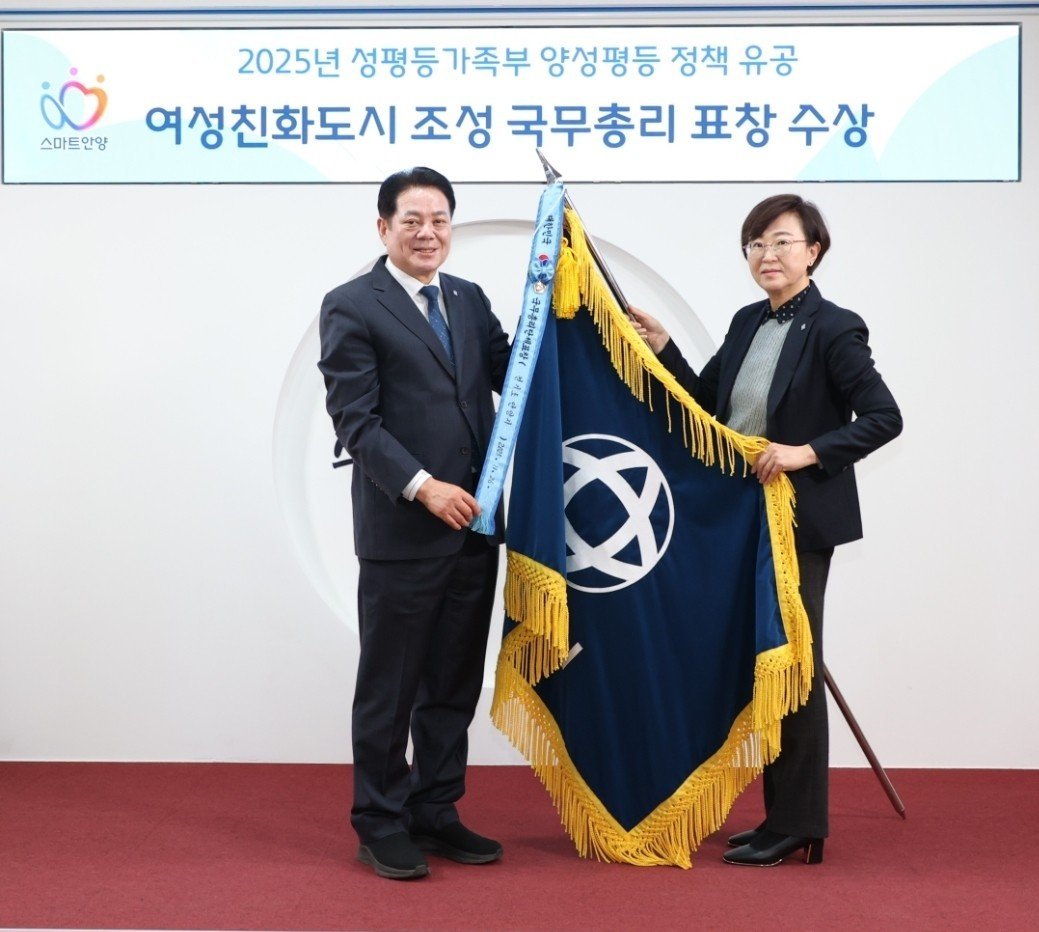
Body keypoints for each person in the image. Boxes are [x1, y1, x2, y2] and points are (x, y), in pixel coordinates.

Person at [629, 194, 902, 867]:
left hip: (798, 523)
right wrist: (663, 349)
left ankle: (801, 822)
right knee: (763, 666)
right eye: (755, 244)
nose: (767, 255)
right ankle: (780, 816)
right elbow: (706, 406)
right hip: (741, 520)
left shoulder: (835, 327)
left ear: (813, 251)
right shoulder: (747, 320)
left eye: (782, 241)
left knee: (794, 667)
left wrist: (805, 452)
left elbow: (883, 416)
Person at [318, 167, 511, 880]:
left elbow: (515, 373)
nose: (427, 233)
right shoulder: (351, 305)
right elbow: (356, 422)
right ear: (384, 228)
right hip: (404, 531)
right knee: (390, 686)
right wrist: (424, 488)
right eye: (412, 220)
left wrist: (583, 323)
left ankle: (436, 809)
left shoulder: (468, 299)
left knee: (453, 683)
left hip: (474, 529)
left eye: (439, 220)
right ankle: (379, 822)